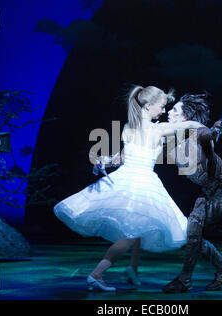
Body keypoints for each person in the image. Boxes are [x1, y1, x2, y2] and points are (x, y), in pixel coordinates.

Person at [53, 85, 205, 292]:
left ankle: (132, 268)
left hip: (126, 178)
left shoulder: (128, 127)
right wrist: (212, 126)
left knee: (137, 225)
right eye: (161, 107)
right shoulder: (157, 129)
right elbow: (191, 124)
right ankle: (96, 274)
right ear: (148, 105)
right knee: (132, 231)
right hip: (140, 182)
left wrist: (103, 161)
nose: (163, 111)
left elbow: (123, 158)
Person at [160, 93, 222, 293]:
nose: (170, 112)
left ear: (186, 116)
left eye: (175, 110)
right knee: (192, 233)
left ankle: (185, 279)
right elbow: (143, 155)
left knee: (193, 230)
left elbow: (208, 135)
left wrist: (218, 127)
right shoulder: (171, 142)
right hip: (208, 191)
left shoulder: (198, 133)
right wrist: (111, 159)